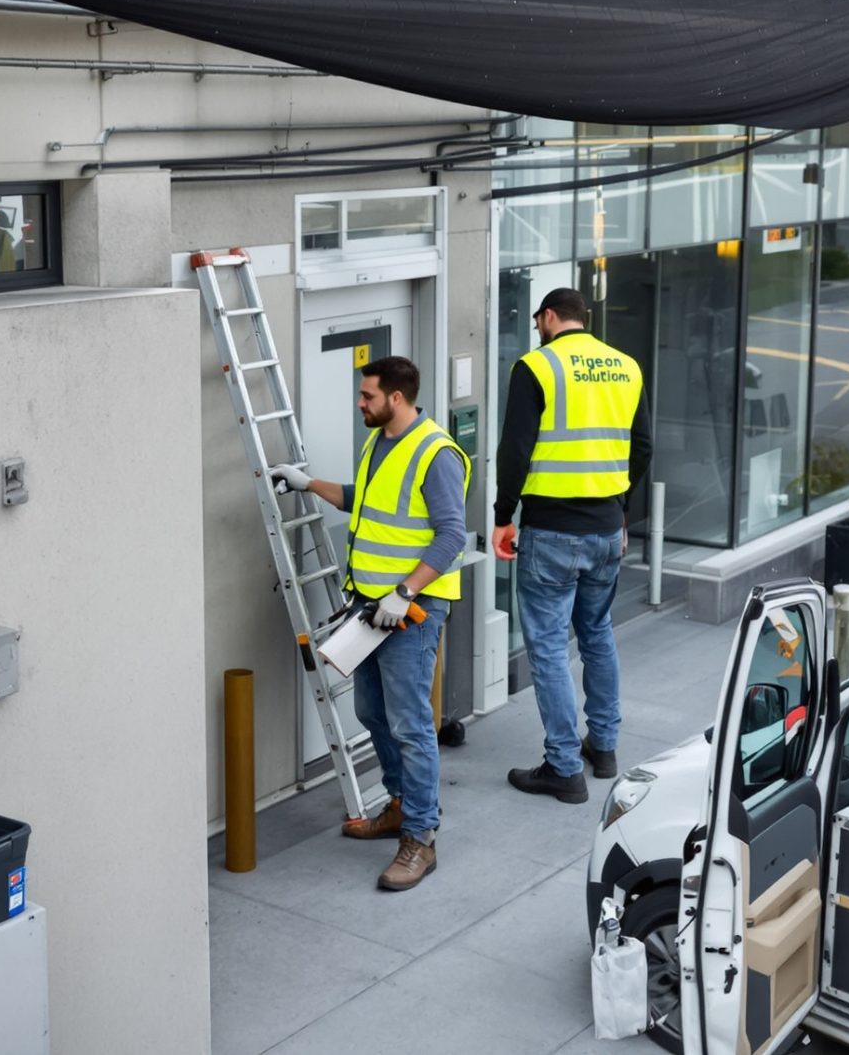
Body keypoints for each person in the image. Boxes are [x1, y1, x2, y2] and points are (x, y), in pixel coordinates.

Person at [268, 356, 470, 892]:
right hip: (371, 608)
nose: (361, 403)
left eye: (368, 396)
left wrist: (405, 593)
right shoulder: (380, 441)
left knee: (409, 723)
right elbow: (365, 503)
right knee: (370, 709)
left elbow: (453, 536)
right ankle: (402, 805)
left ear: (396, 399)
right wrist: (307, 483)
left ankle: (421, 838)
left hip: (410, 612)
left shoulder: (436, 452)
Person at [495, 287, 651, 805]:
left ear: (548, 317)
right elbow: (643, 446)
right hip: (608, 529)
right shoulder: (626, 367)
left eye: (539, 320)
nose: (537, 328)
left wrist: (502, 517)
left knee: (547, 648)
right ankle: (603, 748)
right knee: (597, 633)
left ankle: (564, 768)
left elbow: (515, 449)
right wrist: (621, 511)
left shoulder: (536, 366)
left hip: (552, 530)